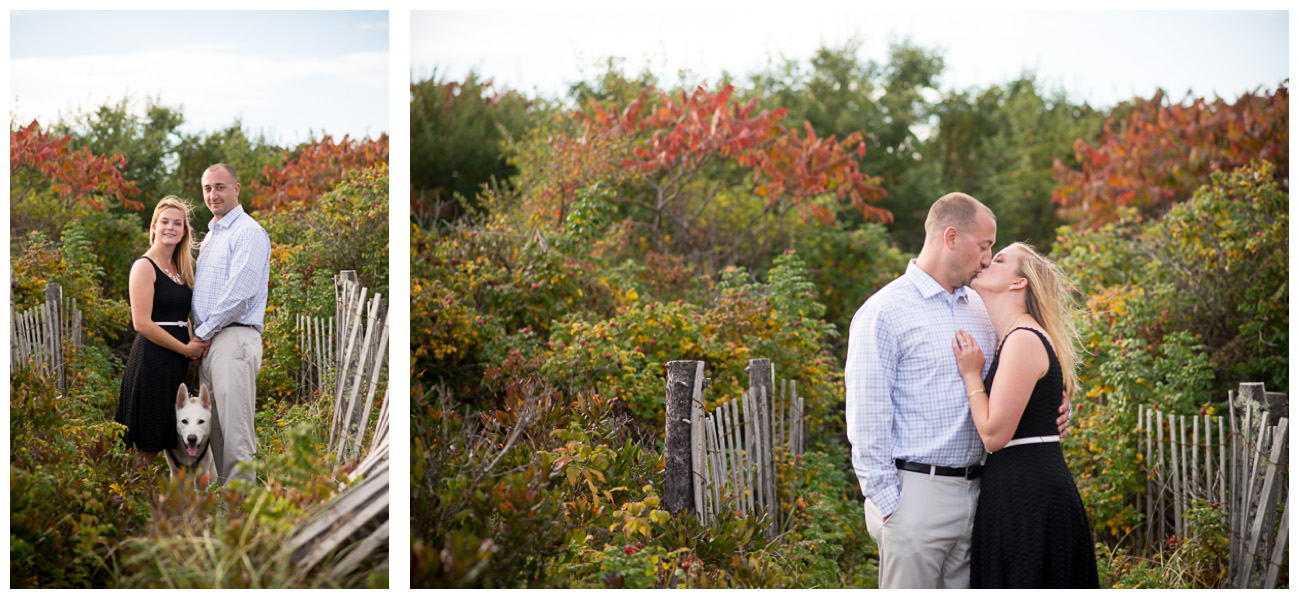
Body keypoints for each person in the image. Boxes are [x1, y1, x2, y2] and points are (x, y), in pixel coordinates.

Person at [845, 192, 1070, 588]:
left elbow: (1023, 372)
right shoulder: (884, 312)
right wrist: (889, 506)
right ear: (951, 237)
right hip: (915, 498)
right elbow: (866, 418)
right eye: (984, 247)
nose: (987, 258)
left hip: (982, 496)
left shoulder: (983, 308)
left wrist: (1054, 408)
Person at [952, 242, 1099, 588]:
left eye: (999, 259)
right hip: (1018, 487)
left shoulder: (1022, 338)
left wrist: (972, 374)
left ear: (1019, 283)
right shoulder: (1010, 336)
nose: (987, 261)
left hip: (1029, 495)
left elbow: (993, 435)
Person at [115, 196, 210, 467]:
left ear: (184, 232)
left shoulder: (181, 270)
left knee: (167, 435)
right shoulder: (144, 267)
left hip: (174, 364)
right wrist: (184, 348)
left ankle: (161, 502)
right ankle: (132, 503)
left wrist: (191, 339)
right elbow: (141, 323)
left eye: (177, 223)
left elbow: (179, 315)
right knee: (148, 438)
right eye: (165, 221)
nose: (171, 227)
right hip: (152, 361)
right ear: (154, 226)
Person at [192, 163, 271, 484]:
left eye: (220, 187)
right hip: (211, 342)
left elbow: (240, 293)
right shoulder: (212, 235)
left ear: (236, 189)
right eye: (208, 188)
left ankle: (244, 525)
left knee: (236, 439)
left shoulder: (249, 232)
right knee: (218, 439)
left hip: (233, 338)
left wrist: (200, 333)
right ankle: (225, 518)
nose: (213, 194)